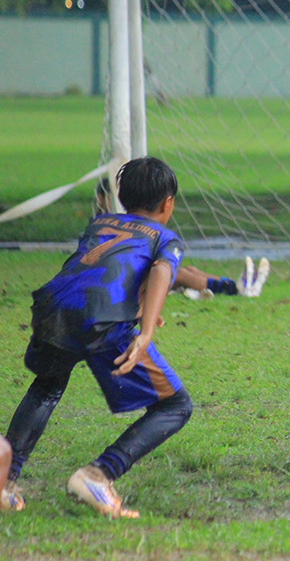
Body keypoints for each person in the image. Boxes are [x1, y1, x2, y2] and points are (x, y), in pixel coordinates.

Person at [3, 157, 193, 519]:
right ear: (168, 203)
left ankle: (4, 480)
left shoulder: (100, 222)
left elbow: (110, 266)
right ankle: (99, 474)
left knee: (47, 386)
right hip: (103, 319)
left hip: (52, 307)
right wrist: (146, 330)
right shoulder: (166, 238)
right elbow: (161, 271)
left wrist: (139, 306)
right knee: (175, 406)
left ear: (121, 196)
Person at [96, 178, 269, 300]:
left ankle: (236, 284)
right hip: (119, 282)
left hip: (125, 277)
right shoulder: (110, 226)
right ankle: (234, 290)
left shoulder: (111, 223)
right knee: (178, 274)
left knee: (189, 270)